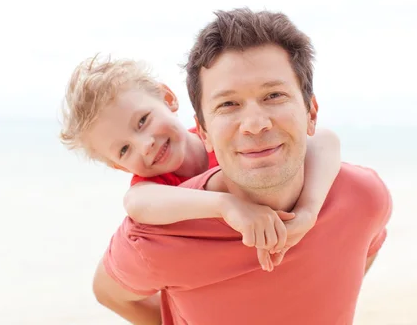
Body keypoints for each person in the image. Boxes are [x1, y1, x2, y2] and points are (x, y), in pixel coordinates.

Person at [91, 8, 393, 325]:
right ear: (203, 131)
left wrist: (308, 213)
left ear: (311, 112)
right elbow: (111, 291)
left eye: (273, 95)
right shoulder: (157, 234)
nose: (254, 125)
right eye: (229, 104)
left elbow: (361, 244)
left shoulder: (362, 196)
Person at [59, 56, 342, 271]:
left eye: (143, 121)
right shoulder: (155, 188)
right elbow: (136, 203)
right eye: (123, 149)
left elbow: (324, 140)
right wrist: (228, 205)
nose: (145, 145)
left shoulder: (228, 140)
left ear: (168, 98)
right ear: (119, 166)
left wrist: (308, 211)